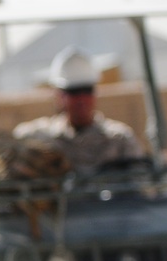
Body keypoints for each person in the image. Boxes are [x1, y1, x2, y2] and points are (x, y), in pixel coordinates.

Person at [13, 46, 146, 174]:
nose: (81, 99)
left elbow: (140, 183)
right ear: (59, 95)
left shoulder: (119, 139)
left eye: (87, 90)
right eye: (73, 92)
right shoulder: (39, 138)